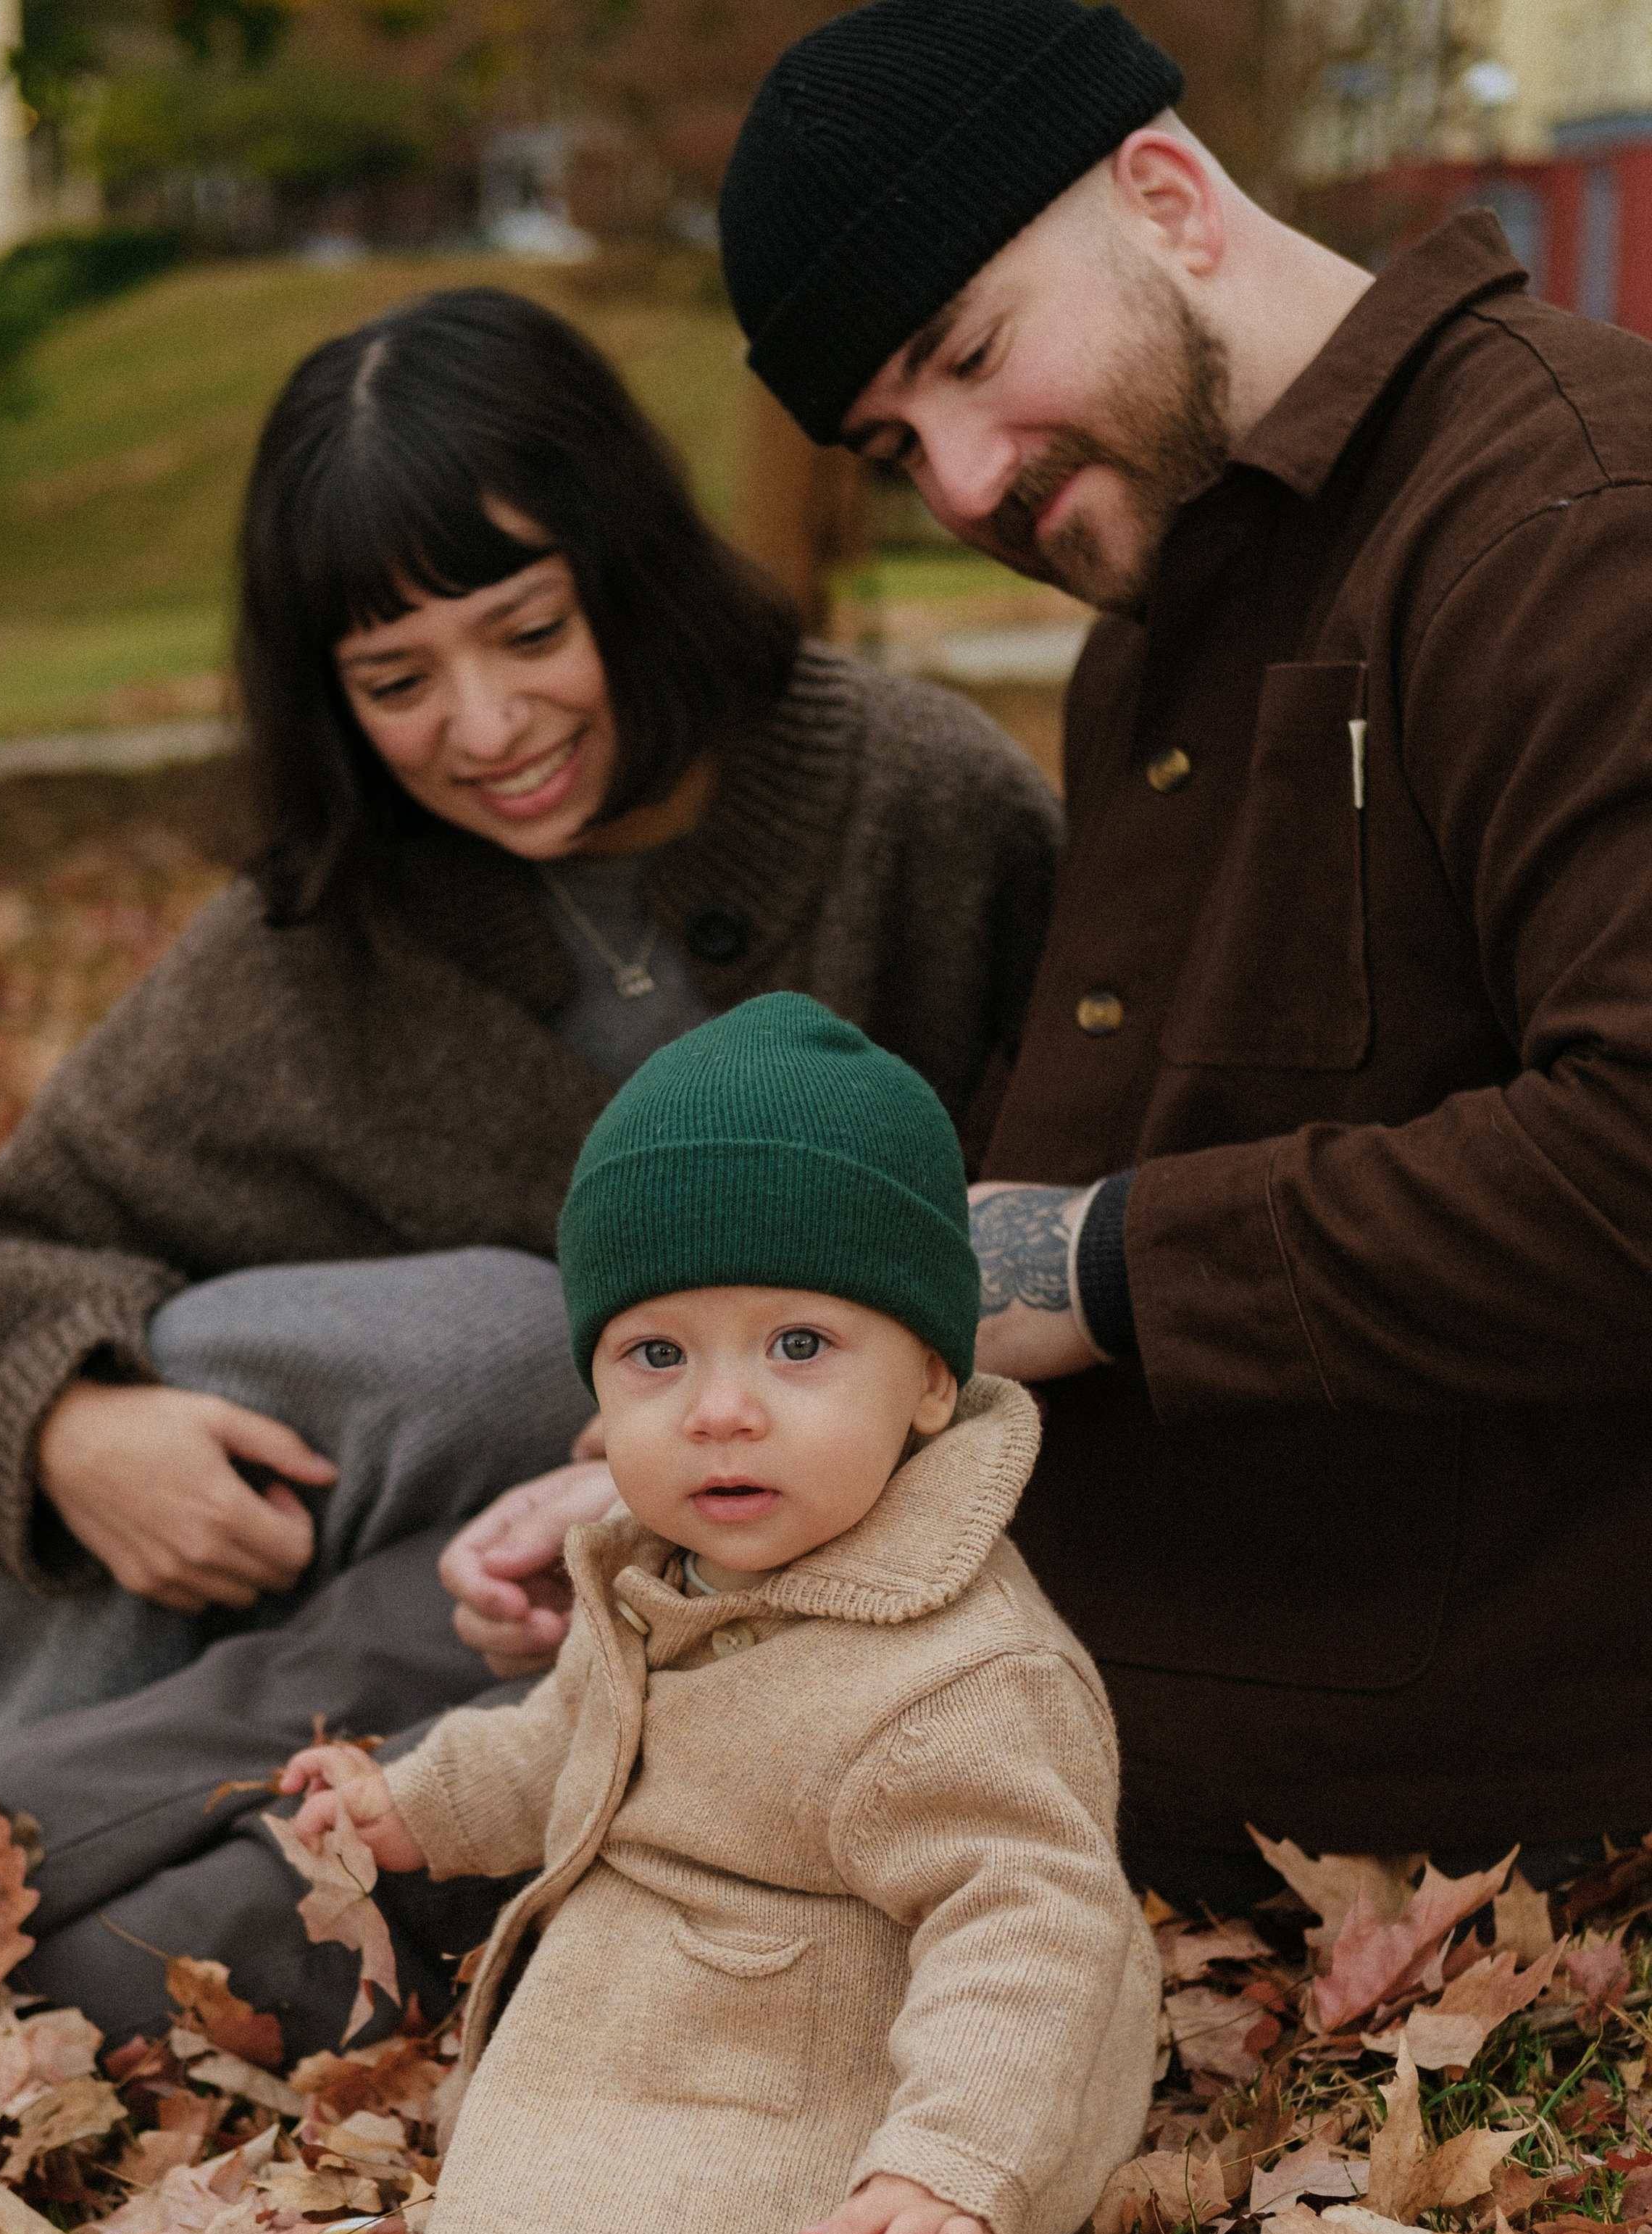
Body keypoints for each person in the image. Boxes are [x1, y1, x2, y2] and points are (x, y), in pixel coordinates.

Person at [0, 283, 1059, 2051]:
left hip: (697, 1608)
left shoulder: (917, 800)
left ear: (627, 569)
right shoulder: (317, 940)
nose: (482, 726)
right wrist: (68, 1423)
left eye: (528, 632)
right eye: (396, 681)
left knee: (253, 1912)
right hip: (339, 1567)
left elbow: (1077, 1203)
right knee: (503, 1343)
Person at [706, 0, 1652, 1913]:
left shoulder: (1566, 516)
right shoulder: (1152, 626)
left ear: (1166, 195)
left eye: (971, 357)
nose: (959, 482)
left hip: (1385, 1763)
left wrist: (1102, 1263)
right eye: (893, 446)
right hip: (1060, 1651)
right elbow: (1054, 1194)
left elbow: (1631, 1161)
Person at [279, 996, 1156, 2234]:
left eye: (800, 1345)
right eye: (657, 1354)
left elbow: (1031, 1926)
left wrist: (951, 2158)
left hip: (851, 2082)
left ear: (931, 1380)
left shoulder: (963, 1674)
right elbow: (571, 1739)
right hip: (651, 2022)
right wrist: (417, 1802)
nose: (722, 1409)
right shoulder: (658, 1572)